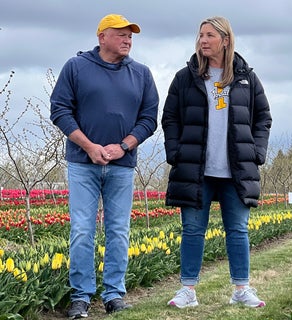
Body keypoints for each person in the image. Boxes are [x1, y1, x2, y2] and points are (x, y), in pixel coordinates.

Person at [50, 14, 159, 319]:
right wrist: (89, 146)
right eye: (121, 34)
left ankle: (113, 294)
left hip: (122, 166)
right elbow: (59, 109)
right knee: (83, 230)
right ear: (102, 37)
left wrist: (123, 145)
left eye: (130, 36)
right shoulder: (76, 67)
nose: (127, 40)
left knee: (119, 231)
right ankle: (81, 297)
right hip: (83, 164)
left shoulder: (141, 74)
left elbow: (149, 118)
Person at [162, 15, 272, 309]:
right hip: (196, 169)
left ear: (225, 40)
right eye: (200, 36)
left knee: (238, 230)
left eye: (209, 35)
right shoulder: (186, 78)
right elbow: (170, 117)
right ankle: (188, 290)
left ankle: (241, 289)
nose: (203, 41)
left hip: (235, 171)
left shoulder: (246, 77)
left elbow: (263, 118)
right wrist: (175, 152)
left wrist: (257, 153)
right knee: (192, 230)